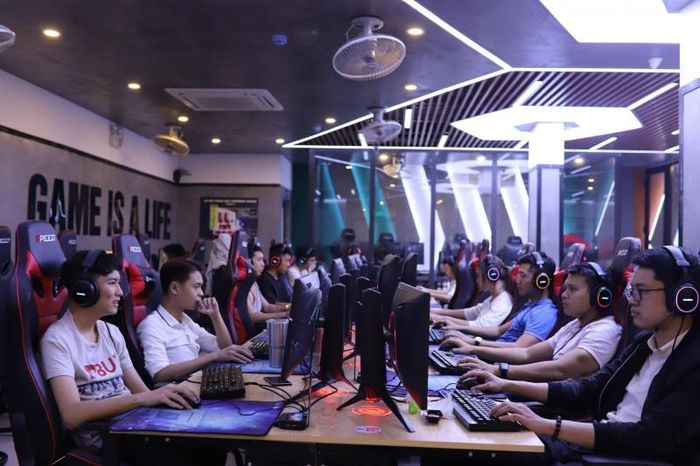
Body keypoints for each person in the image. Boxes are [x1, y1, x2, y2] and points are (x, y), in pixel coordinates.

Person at [467, 247, 700, 465]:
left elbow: (652, 436)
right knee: (481, 440)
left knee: (482, 454)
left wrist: (548, 425)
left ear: (682, 296)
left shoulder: (693, 362)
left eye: (642, 291)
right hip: (596, 445)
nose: (631, 300)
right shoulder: (644, 344)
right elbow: (588, 389)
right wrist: (505, 383)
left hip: (617, 457)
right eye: (631, 291)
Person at [39, 250, 199, 454]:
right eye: (112, 283)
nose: (121, 292)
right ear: (86, 288)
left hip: (134, 425)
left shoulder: (111, 332)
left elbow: (142, 393)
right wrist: (142, 399)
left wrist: (167, 395)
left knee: (205, 436)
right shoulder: (57, 340)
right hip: (107, 439)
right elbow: (71, 415)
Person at [457, 262, 621, 382]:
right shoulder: (575, 325)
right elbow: (527, 353)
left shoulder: (605, 331)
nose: (564, 295)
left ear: (599, 297)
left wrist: (499, 371)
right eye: (565, 288)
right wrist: (474, 348)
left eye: (573, 289)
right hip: (543, 392)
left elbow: (560, 369)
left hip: (558, 408)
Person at [137, 258, 253, 384]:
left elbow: (225, 347)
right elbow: (159, 374)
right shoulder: (152, 325)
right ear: (175, 288)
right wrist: (213, 357)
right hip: (179, 389)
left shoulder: (186, 321)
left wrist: (215, 315)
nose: (201, 293)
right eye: (196, 287)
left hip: (196, 382)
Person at [440, 251, 558, 350]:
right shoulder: (530, 306)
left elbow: (519, 348)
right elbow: (497, 331)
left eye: (523, 276)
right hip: (491, 358)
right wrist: (457, 329)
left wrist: (472, 343)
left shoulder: (544, 313)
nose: (517, 280)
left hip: (499, 364)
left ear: (541, 281)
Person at [430, 255, 514, 328]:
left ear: (491, 275)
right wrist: (435, 312)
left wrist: (444, 319)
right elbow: (470, 312)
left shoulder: (503, 301)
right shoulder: (493, 298)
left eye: (478, 275)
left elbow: (480, 326)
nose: (476, 280)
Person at [247, 245, 290, 324]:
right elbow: (252, 316)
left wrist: (289, 307)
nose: (263, 264)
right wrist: (284, 314)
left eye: (263, 260)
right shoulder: (245, 287)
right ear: (249, 263)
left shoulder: (254, 283)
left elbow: (267, 306)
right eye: (259, 260)